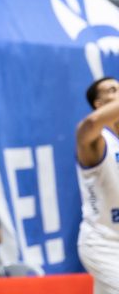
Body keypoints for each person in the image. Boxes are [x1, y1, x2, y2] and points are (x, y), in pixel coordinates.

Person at [76, 76, 119, 294]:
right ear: (99, 104)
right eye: (113, 90)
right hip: (103, 243)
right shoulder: (96, 139)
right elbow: (91, 123)